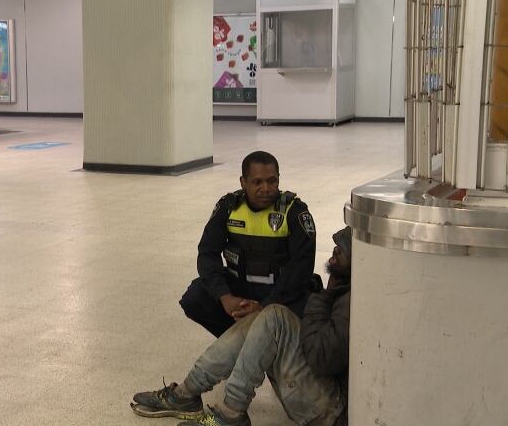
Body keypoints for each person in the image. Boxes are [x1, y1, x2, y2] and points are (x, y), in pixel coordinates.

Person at [131, 227, 352, 426]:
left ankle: (231, 414)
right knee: (264, 315)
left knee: (274, 318)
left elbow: (321, 357)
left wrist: (323, 298)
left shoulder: (354, 300)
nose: (336, 248)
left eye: (345, 246)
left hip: (334, 411)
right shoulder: (346, 292)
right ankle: (185, 393)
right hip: (326, 394)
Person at [180, 151, 318, 337]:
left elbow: (301, 268)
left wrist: (264, 306)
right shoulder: (229, 208)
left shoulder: (294, 211)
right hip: (239, 287)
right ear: (243, 182)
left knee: (312, 308)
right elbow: (207, 254)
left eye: (272, 181)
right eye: (257, 182)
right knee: (194, 297)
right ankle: (238, 339)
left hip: (280, 290)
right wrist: (225, 297)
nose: (266, 188)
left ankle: (269, 344)